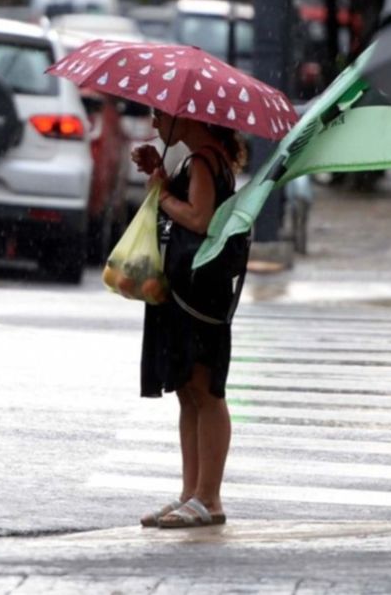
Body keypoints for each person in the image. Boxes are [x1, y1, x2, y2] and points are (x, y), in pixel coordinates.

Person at [131, 111, 244, 529]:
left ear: (188, 119)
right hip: (187, 288)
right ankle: (190, 492)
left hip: (199, 293)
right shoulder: (198, 158)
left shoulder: (202, 160)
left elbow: (199, 218)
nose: (155, 122)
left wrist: (161, 194)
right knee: (186, 389)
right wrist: (160, 172)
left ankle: (208, 498)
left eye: (161, 116)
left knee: (204, 390)